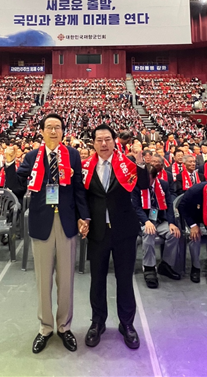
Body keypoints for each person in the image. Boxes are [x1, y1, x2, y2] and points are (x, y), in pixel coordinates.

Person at [4, 113, 90, 354]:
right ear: (41, 131)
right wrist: (10, 164)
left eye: (58, 127)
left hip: (67, 221)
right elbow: (18, 188)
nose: (54, 131)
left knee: (66, 279)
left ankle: (64, 327)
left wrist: (85, 216)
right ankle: (45, 327)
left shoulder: (72, 155)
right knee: (42, 280)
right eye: (49, 127)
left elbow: (79, 189)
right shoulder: (32, 157)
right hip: (42, 222)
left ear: (63, 131)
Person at [81, 123, 149, 350]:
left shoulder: (126, 165)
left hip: (124, 232)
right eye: (99, 140)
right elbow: (82, 198)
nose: (103, 144)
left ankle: (127, 324)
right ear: (93, 143)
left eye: (107, 139)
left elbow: (144, 184)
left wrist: (140, 164)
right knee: (97, 280)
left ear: (114, 141)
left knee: (125, 280)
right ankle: (97, 322)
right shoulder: (86, 168)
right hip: (98, 233)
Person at [131, 161, 180, 288]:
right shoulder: (136, 185)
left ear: (155, 177)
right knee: (149, 232)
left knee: (174, 234)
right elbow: (136, 207)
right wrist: (146, 221)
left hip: (159, 219)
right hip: (142, 220)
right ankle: (149, 268)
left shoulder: (163, 185)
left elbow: (169, 205)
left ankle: (166, 265)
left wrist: (171, 223)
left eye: (149, 180)